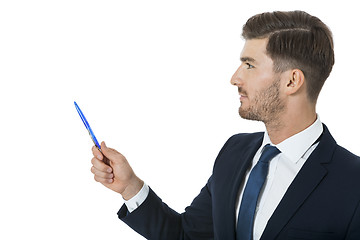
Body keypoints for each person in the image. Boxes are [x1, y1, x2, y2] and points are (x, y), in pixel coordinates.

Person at [90, 10, 360, 239]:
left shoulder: (353, 183)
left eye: (250, 65)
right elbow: (188, 235)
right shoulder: (235, 151)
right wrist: (129, 187)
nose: (235, 78)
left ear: (292, 81)